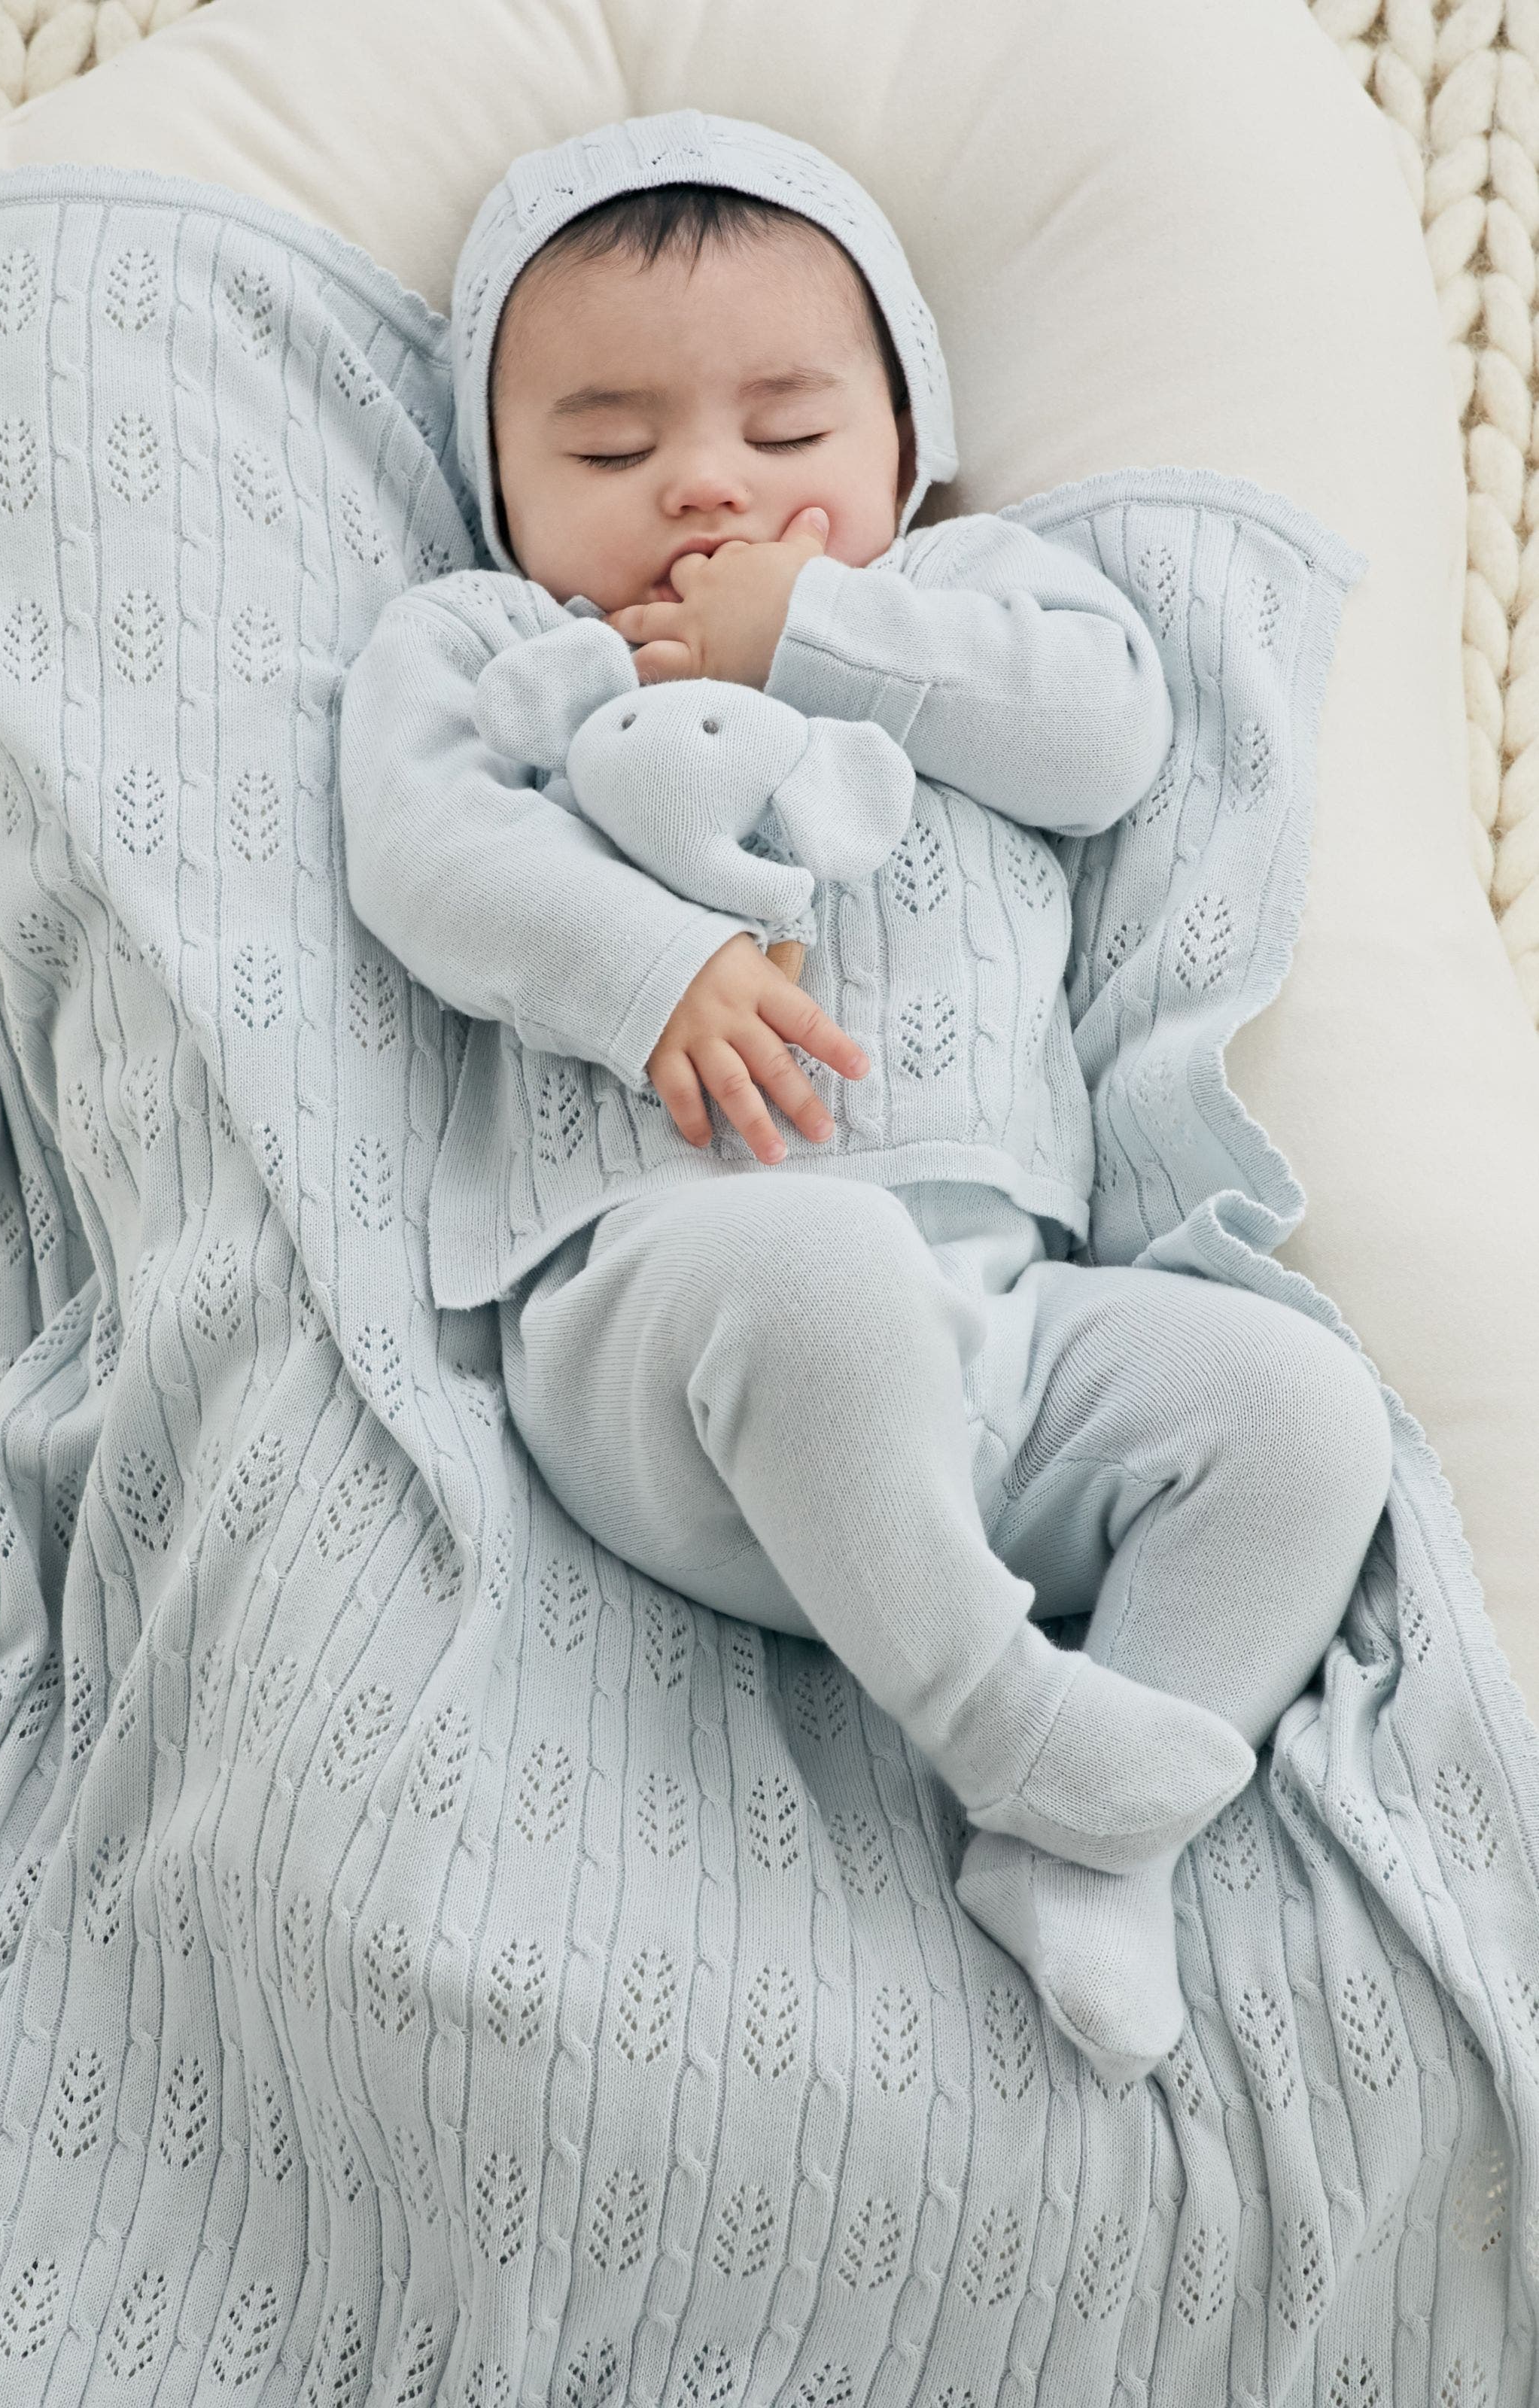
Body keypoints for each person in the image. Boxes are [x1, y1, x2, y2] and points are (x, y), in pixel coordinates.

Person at [338, 111, 1395, 2081]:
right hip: (669, 1331)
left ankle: (1077, 1857)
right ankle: (1015, 1727)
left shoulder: (986, 602)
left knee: (1297, 1411)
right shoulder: (496, 643)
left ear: (908, 446)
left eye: (788, 429)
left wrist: (814, 632)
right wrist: (649, 971)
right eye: (610, 451)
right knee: (815, 1265)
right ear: (497, 485)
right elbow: (425, 855)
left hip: (1010, 1343)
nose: (708, 485)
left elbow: (1106, 740)